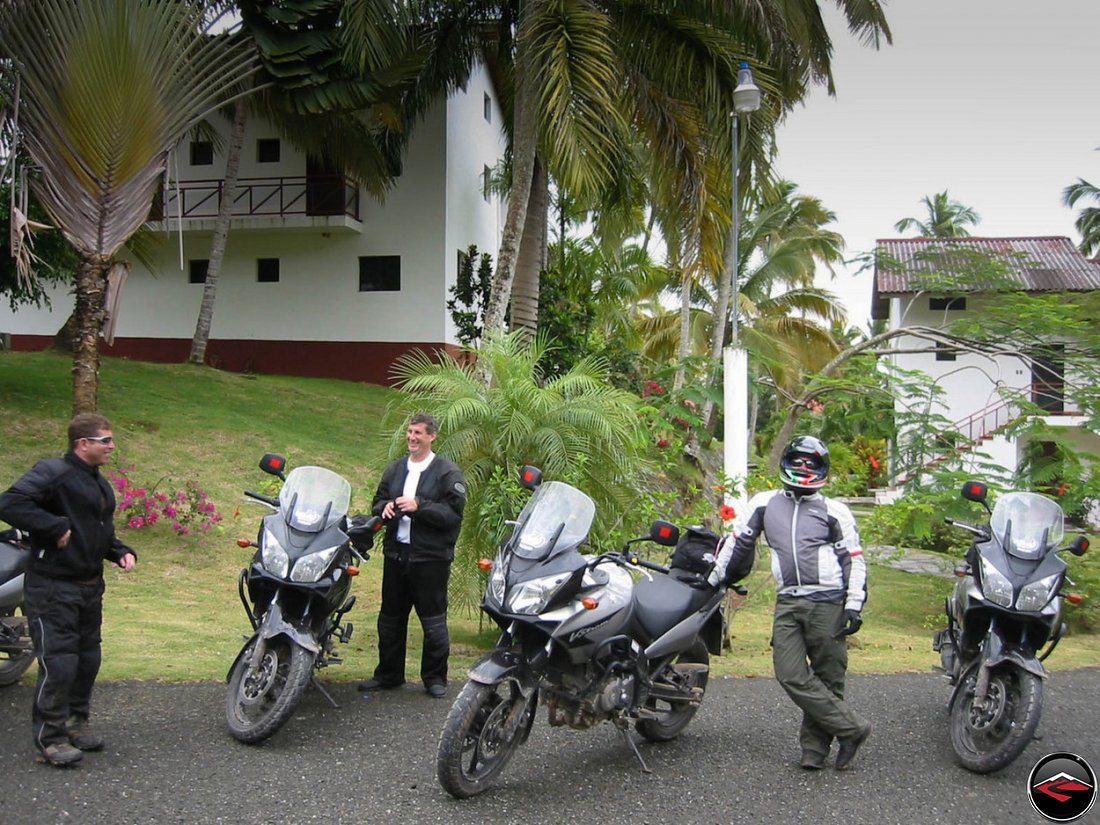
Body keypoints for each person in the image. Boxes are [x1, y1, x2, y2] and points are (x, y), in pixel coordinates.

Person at [712, 435, 870, 771]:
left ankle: (814, 750)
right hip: (788, 602)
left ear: (821, 468)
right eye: (797, 460)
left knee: (829, 677)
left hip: (829, 602)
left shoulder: (834, 511)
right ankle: (852, 728)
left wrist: (854, 604)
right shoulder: (764, 503)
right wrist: (715, 578)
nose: (802, 467)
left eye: (810, 463)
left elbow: (853, 559)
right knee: (789, 674)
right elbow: (738, 542)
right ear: (787, 461)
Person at [0, 413, 137, 767]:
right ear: (83, 444)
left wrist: (118, 551)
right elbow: (10, 503)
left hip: (89, 587)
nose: (112, 446)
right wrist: (52, 525)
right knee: (59, 664)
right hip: (53, 586)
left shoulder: (97, 482)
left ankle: (77, 723)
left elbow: (97, 529)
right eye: (106, 440)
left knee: (87, 661)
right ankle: (51, 739)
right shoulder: (54, 472)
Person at [358, 412, 466, 698]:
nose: (412, 438)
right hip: (396, 554)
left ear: (432, 436)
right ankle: (389, 674)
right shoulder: (395, 470)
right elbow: (378, 501)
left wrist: (420, 506)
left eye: (418, 433)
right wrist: (386, 508)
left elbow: (453, 515)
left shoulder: (447, 473)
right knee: (390, 618)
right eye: (409, 432)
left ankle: (434, 678)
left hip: (430, 559)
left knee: (432, 620)